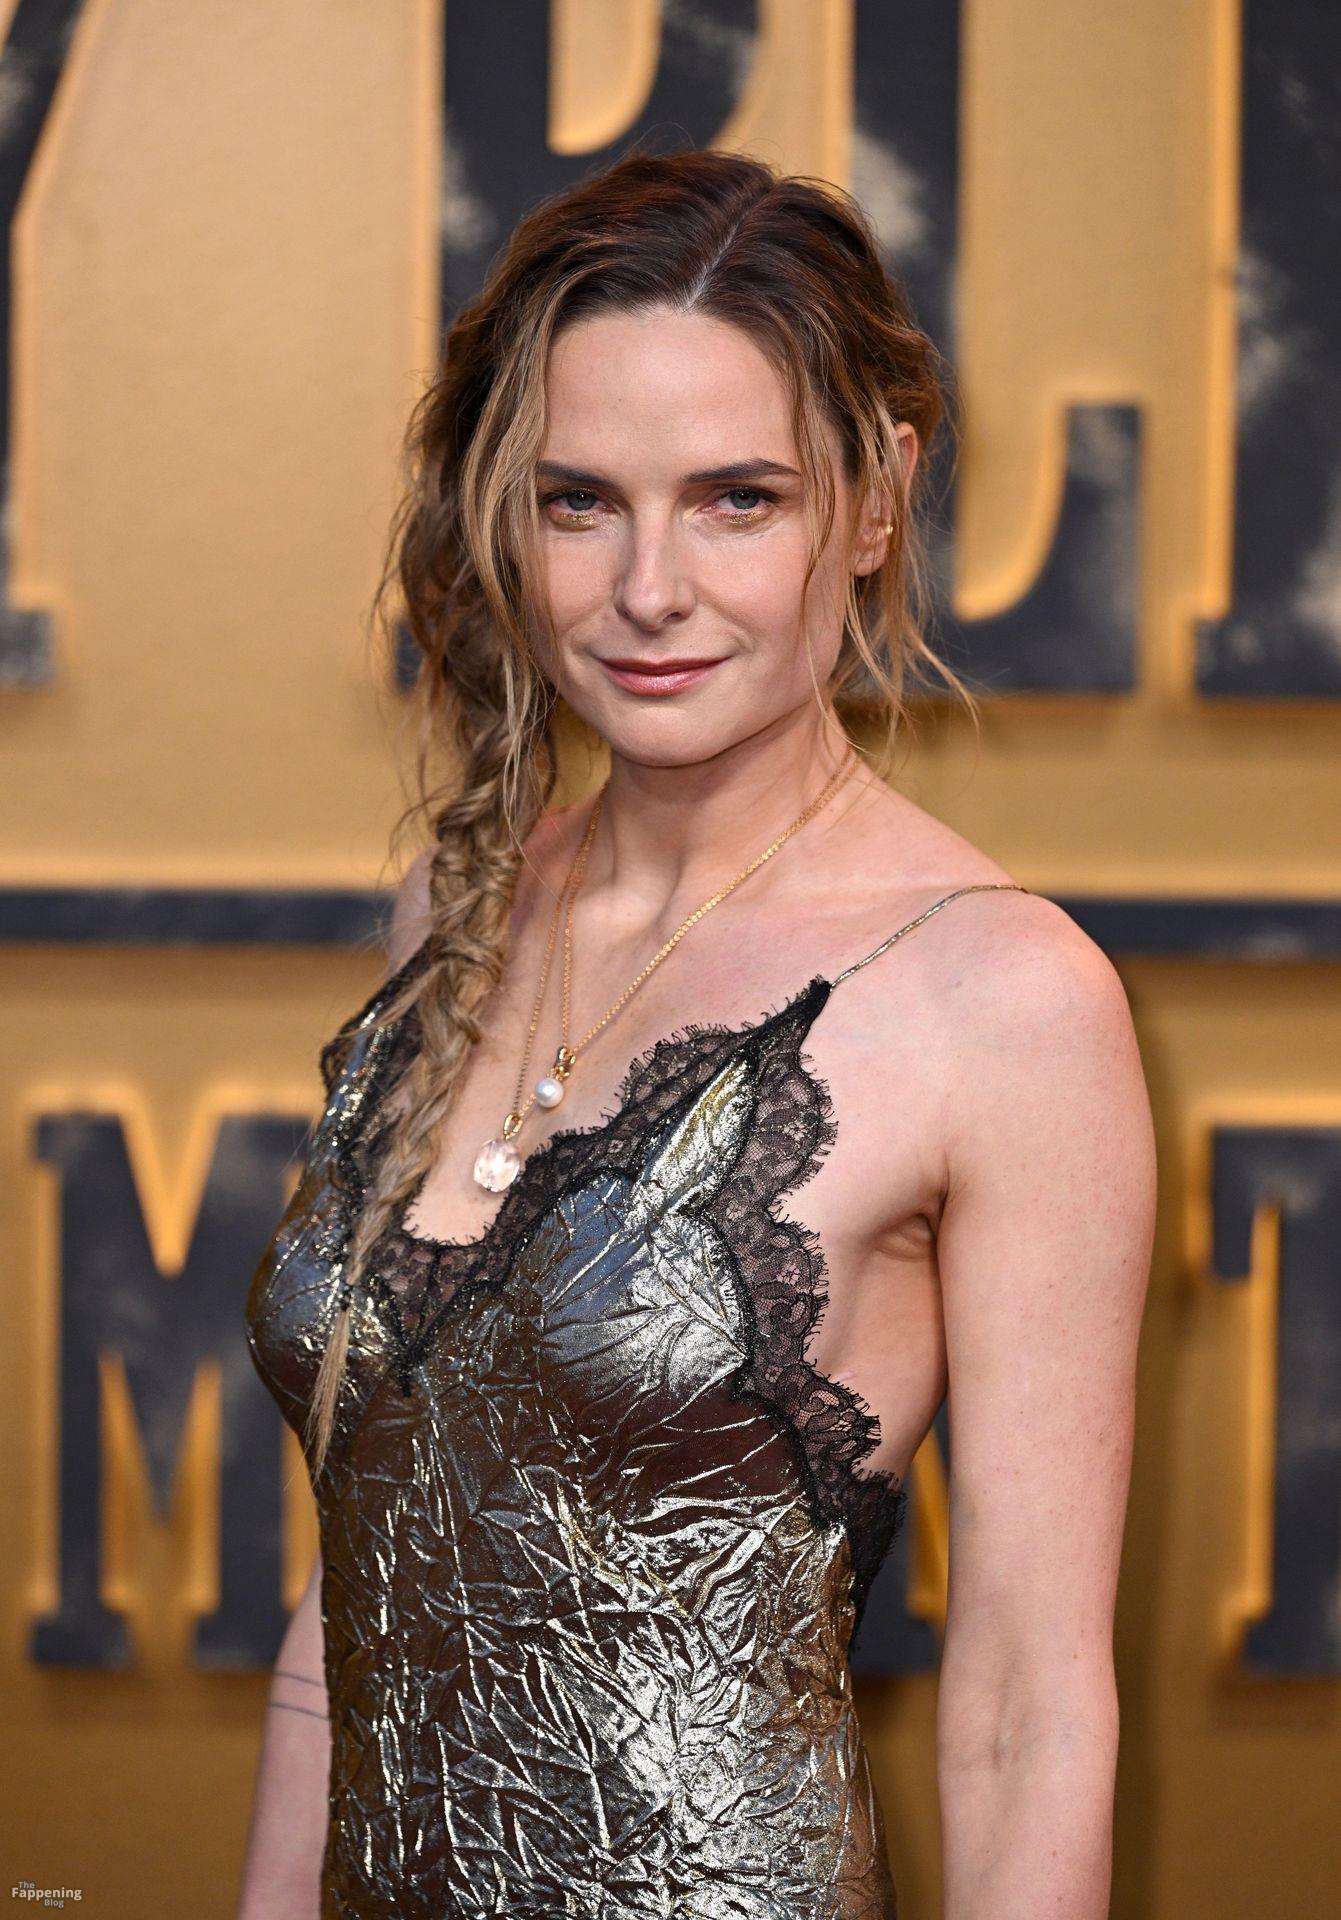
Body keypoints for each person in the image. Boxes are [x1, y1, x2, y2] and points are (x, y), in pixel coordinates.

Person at [239, 147, 1155, 1919]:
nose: (647, 588)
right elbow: (359, 1585)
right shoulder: (458, 910)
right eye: (581, 501)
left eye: (737, 498)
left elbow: (1029, 1710)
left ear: (874, 501)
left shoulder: (999, 997)